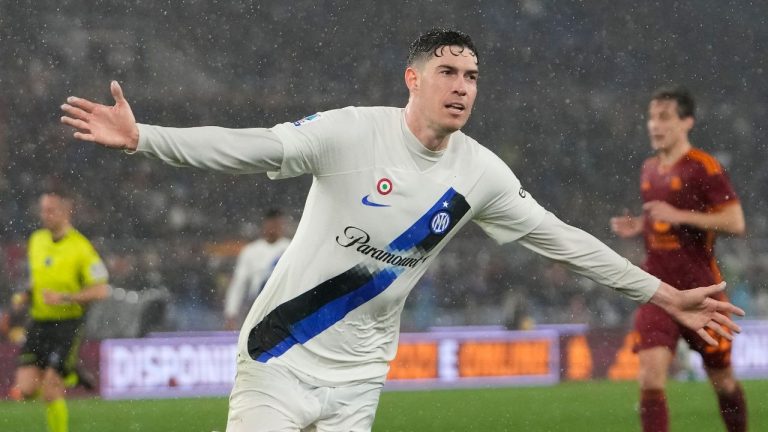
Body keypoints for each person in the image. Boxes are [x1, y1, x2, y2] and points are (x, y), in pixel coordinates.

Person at [60, 29, 744, 432]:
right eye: (448, 71)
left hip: (359, 378)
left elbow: (563, 239)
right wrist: (143, 138)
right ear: (412, 78)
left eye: (472, 76)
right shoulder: (351, 131)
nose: (462, 85)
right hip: (279, 356)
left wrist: (664, 293)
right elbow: (253, 146)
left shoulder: (481, 175)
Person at [610, 86, 748, 432]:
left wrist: (680, 215)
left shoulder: (703, 167)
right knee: (649, 378)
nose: (655, 125)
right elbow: (663, 221)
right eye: (652, 117)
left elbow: (735, 222)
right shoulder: (648, 169)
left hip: (703, 292)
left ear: (687, 122)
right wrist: (641, 225)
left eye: (665, 117)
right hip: (657, 291)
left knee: (724, 382)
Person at [10, 189, 110, 432]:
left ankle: (64, 377)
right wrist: (26, 294)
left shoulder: (81, 248)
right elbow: (39, 278)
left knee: (51, 390)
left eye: (51, 210)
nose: (45, 215)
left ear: (66, 213)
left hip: (66, 324)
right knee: (26, 389)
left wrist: (65, 297)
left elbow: (101, 290)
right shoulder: (36, 240)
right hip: (39, 322)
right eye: (43, 210)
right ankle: (72, 373)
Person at [223, 208, 291, 330]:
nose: (274, 228)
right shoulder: (250, 251)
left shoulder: (290, 248)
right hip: (257, 307)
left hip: (283, 307)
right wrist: (231, 314)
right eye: (271, 224)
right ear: (264, 225)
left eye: (278, 224)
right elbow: (239, 284)